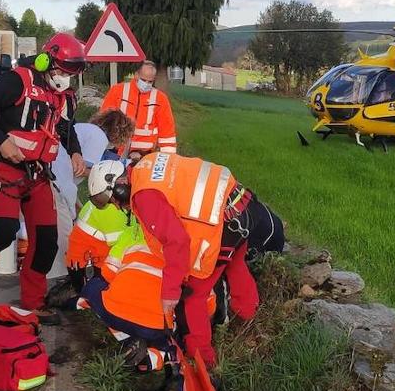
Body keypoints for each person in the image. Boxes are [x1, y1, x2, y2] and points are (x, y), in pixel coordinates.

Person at [84, 154, 284, 368]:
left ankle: (203, 361)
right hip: (241, 205)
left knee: (194, 295)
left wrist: (170, 292)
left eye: (112, 200)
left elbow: (177, 241)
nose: (116, 205)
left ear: (120, 187)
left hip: (223, 223)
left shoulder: (144, 197)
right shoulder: (147, 164)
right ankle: (249, 315)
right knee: (236, 264)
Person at [0, 32, 87, 319]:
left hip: (39, 175)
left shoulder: (63, 96)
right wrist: (2, 140)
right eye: (64, 70)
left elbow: (65, 128)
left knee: (46, 243)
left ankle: (32, 303)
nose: (67, 77)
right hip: (7, 169)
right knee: (4, 230)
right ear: (46, 60)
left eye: (73, 72)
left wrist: (75, 152)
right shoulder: (17, 81)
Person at [99, 60, 178, 158]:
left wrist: (168, 159)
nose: (147, 84)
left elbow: (167, 133)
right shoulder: (117, 91)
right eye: (144, 80)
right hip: (115, 153)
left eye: (150, 81)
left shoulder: (160, 99)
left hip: (145, 155)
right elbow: (103, 121)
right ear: (136, 75)